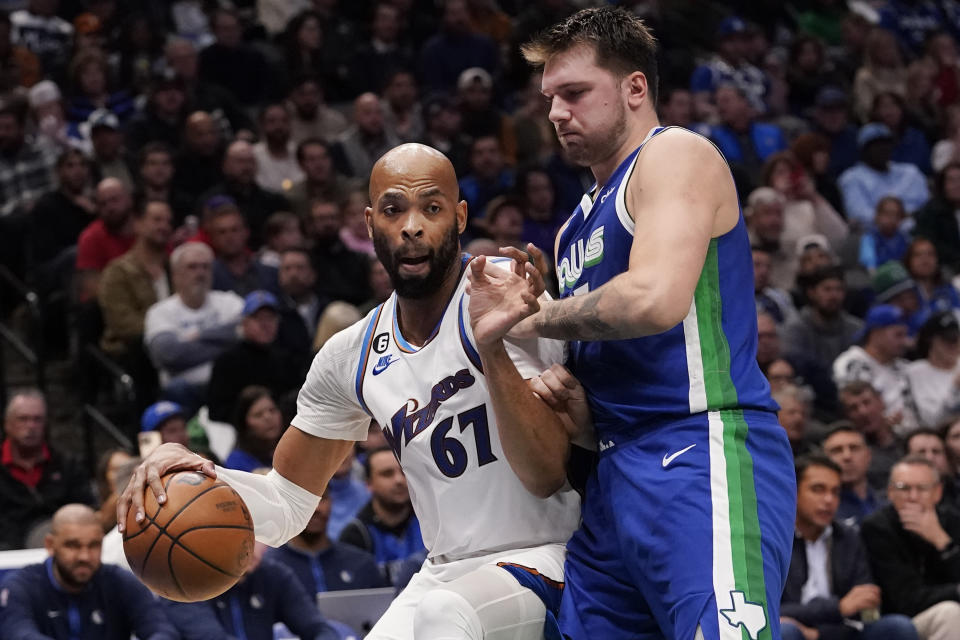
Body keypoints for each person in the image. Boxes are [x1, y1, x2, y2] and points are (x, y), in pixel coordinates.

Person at [119, 143, 581, 640]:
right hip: (448, 569)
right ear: (368, 223)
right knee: (441, 610)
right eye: (392, 209)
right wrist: (194, 472)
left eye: (431, 207)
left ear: (460, 215)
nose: (411, 226)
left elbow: (555, 470)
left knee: (445, 617)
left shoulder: (503, 291)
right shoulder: (350, 355)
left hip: (552, 553)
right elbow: (288, 503)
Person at [468, 8, 795, 639]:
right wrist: (580, 416)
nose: (557, 112)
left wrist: (533, 318)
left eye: (574, 93)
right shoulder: (571, 230)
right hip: (613, 477)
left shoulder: (673, 155)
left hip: (700, 452)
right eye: (548, 99)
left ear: (634, 88)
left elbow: (651, 301)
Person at [780, 455, 918, 640]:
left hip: (838, 633)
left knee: (898, 627)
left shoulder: (848, 537)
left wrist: (819, 634)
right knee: (785, 631)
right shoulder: (775, 539)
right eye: (818, 490)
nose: (829, 500)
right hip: (794, 631)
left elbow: (865, 606)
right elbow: (770, 608)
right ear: (793, 492)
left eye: (835, 492)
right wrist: (838, 607)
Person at [0, 504, 178, 640]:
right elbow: (18, 634)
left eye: (94, 545)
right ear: (50, 545)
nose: (84, 556)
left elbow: (162, 631)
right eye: (73, 545)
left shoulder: (119, 581)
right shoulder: (20, 586)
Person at [861, 456, 960, 640]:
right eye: (903, 488)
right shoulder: (877, 528)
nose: (913, 497)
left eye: (922, 488)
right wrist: (956, 591)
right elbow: (905, 600)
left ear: (937, 492)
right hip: (898, 623)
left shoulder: (952, 521)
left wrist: (942, 541)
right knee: (950, 614)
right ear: (890, 492)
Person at [163, 541, 342, 640]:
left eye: (259, 534)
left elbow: (318, 627)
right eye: (241, 532)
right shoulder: (185, 581)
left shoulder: (274, 574)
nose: (250, 545)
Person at [143, 242, 243, 411]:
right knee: (178, 389)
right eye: (192, 267)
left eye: (205, 267)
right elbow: (170, 355)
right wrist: (226, 340)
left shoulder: (230, 302)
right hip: (186, 391)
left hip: (230, 385)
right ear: (175, 275)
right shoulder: (160, 312)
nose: (200, 273)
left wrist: (199, 336)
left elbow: (248, 334)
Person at [0, 389, 94, 550]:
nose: (31, 426)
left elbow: (88, 510)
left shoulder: (67, 465)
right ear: (7, 423)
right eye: (23, 419)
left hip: (63, 552)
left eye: (37, 419)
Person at [206, 291, 303, 422]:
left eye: (270, 318)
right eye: (258, 318)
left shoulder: (288, 359)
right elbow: (216, 411)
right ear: (244, 323)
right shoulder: (227, 362)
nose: (265, 324)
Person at [267, 489, 386, 596]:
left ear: (331, 502)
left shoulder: (362, 563)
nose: (316, 508)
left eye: (321, 498)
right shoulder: (270, 568)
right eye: (304, 500)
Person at [339, 447, 426, 587]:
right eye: (387, 474)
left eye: (404, 472)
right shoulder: (355, 535)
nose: (399, 480)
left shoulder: (430, 522)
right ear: (368, 484)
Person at [834, 305, 919, 435]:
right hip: (874, 438)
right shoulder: (852, 363)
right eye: (898, 335)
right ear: (876, 334)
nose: (904, 342)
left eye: (905, 335)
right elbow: (856, 407)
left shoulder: (903, 366)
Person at [822, 424, 887, 527]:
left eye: (854, 448)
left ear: (868, 455)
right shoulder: (823, 511)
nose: (847, 456)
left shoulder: (888, 504)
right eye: (837, 450)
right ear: (825, 459)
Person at [907, 312, 960, 429]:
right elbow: (932, 422)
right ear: (930, 339)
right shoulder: (915, 372)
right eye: (947, 339)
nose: (954, 344)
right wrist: (956, 389)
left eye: (956, 338)